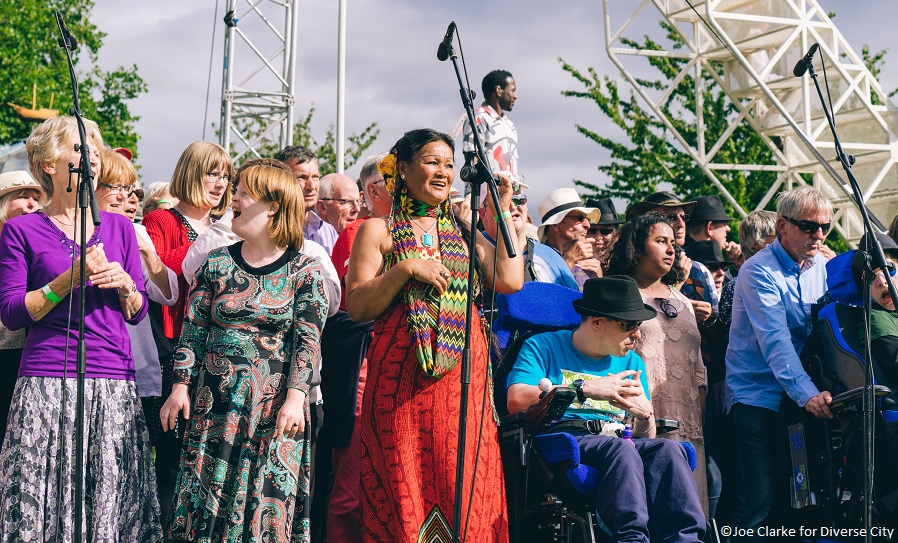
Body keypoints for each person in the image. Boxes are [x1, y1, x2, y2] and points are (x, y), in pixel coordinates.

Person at [345, 128, 523, 542]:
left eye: (448, 164)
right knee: (405, 484)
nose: (443, 172)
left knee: (462, 484)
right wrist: (406, 269)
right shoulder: (378, 230)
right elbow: (357, 305)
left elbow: (510, 280)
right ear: (403, 170)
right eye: (431, 162)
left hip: (464, 384)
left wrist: (499, 214)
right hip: (401, 386)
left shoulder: (461, 232)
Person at [0, 116, 161, 540]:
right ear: (48, 163)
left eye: (93, 150)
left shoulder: (121, 228)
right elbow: (13, 313)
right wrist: (66, 280)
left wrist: (128, 286)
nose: (89, 158)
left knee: (107, 505)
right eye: (78, 149)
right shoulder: (21, 230)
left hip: (112, 382)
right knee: (42, 507)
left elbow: (138, 311)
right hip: (47, 380)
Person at [160, 163, 327, 542]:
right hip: (212, 406)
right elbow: (193, 330)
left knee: (261, 508)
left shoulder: (306, 270)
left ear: (273, 207)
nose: (233, 198)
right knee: (204, 506)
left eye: (244, 193)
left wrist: (295, 397)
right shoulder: (215, 263)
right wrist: (179, 387)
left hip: (271, 411)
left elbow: (308, 342)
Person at [507, 276, 706, 543]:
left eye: (638, 324)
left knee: (668, 449)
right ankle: (631, 538)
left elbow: (645, 436)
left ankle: (687, 538)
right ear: (597, 322)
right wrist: (583, 389)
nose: (637, 334)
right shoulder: (542, 346)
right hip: (564, 438)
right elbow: (515, 400)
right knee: (621, 449)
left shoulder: (631, 361)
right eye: (628, 325)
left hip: (617, 438)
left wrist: (644, 416)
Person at [725, 186, 834, 538]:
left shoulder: (823, 267)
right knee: (759, 500)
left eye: (825, 228)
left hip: (803, 399)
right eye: (808, 226)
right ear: (782, 226)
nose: (818, 235)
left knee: (802, 500)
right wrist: (807, 393)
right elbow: (777, 344)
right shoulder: (758, 271)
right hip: (759, 399)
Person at [142, 139, 233, 527]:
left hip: (218, 350)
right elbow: (159, 279)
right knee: (173, 453)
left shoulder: (223, 226)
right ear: (192, 173)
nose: (220, 183)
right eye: (212, 173)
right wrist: (212, 243)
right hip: (173, 348)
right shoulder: (161, 220)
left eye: (227, 175)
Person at [606, 212, 709, 517]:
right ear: (637, 248)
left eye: (673, 243)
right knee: (649, 511)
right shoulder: (622, 294)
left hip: (690, 422)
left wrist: (702, 418)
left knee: (689, 512)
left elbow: (699, 367)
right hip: (641, 422)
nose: (670, 249)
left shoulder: (683, 299)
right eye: (660, 241)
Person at [325, 154, 392, 543]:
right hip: (364, 364)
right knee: (351, 488)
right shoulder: (361, 231)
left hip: (398, 367)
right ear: (373, 191)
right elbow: (358, 304)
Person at [95, 148, 179, 442]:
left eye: (130, 190)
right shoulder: (71, 230)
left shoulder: (135, 232)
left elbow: (168, 295)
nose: (126, 198)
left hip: (131, 357)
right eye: (115, 187)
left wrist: (147, 254)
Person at [0, 170, 44, 443]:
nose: (32, 204)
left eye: (36, 198)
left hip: (22, 351)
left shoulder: (34, 245)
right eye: (23, 196)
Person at [627, 191, 717, 323]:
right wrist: (680, 302)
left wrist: (709, 317)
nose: (681, 224)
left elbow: (720, 325)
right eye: (672, 217)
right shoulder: (632, 271)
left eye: (684, 217)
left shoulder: (699, 269)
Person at [274, 145, 338, 253]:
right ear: (280, 181)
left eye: (315, 177)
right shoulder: (269, 232)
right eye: (302, 178)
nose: (311, 186)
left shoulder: (328, 231)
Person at [462, 69, 518, 188]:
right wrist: (473, 196)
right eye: (512, 90)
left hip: (508, 196)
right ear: (498, 90)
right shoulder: (478, 117)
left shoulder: (509, 124)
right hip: (485, 197)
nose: (515, 96)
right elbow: (472, 161)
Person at [537, 188, 601, 289]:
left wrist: (600, 279)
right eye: (579, 219)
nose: (587, 225)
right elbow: (542, 296)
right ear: (555, 225)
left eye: (587, 219)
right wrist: (568, 262)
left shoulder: (587, 260)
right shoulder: (537, 258)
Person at [684, 195, 743, 268]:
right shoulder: (690, 263)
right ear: (710, 228)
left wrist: (740, 265)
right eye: (724, 224)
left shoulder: (683, 258)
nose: (728, 229)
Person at [585, 197, 624, 265]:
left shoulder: (625, 265)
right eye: (592, 231)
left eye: (605, 231)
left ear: (616, 234)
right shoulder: (573, 267)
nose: (598, 236)